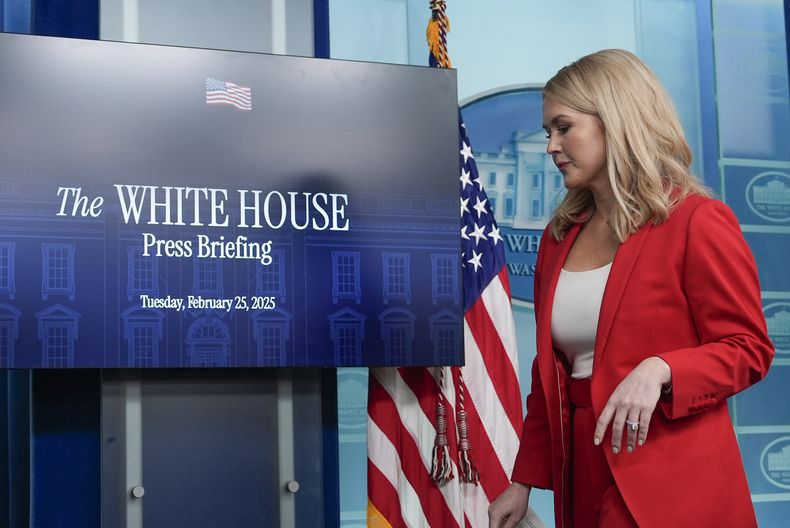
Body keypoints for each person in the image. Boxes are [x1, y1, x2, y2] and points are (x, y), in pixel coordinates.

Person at [488, 49, 774, 528]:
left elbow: (749, 349)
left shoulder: (697, 221)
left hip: (673, 479)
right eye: (548, 131)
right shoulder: (558, 238)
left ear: (614, 120)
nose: (551, 146)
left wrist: (663, 368)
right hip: (581, 470)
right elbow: (549, 376)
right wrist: (524, 480)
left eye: (563, 127)